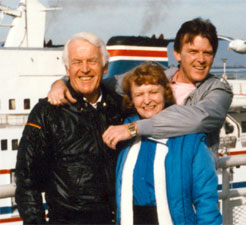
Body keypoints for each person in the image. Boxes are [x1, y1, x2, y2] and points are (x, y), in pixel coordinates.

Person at [48, 18, 233, 159]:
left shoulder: (218, 91)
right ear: (177, 53)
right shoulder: (155, 76)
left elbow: (198, 119)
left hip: (188, 186)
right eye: (193, 52)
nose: (201, 59)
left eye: (207, 53)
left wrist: (133, 128)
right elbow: (101, 82)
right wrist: (62, 82)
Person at [15, 32, 123, 224]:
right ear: (67, 68)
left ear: (105, 66)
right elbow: (27, 181)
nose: (85, 69)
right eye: (76, 62)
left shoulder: (120, 107)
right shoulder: (47, 113)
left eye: (92, 61)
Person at [114, 62, 222, 225]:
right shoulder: (125, 136)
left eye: (153, 92)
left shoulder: (189, 138)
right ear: (132, 99)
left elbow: (206, 199)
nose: (147, 100)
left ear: (165, 93)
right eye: (139, 94)